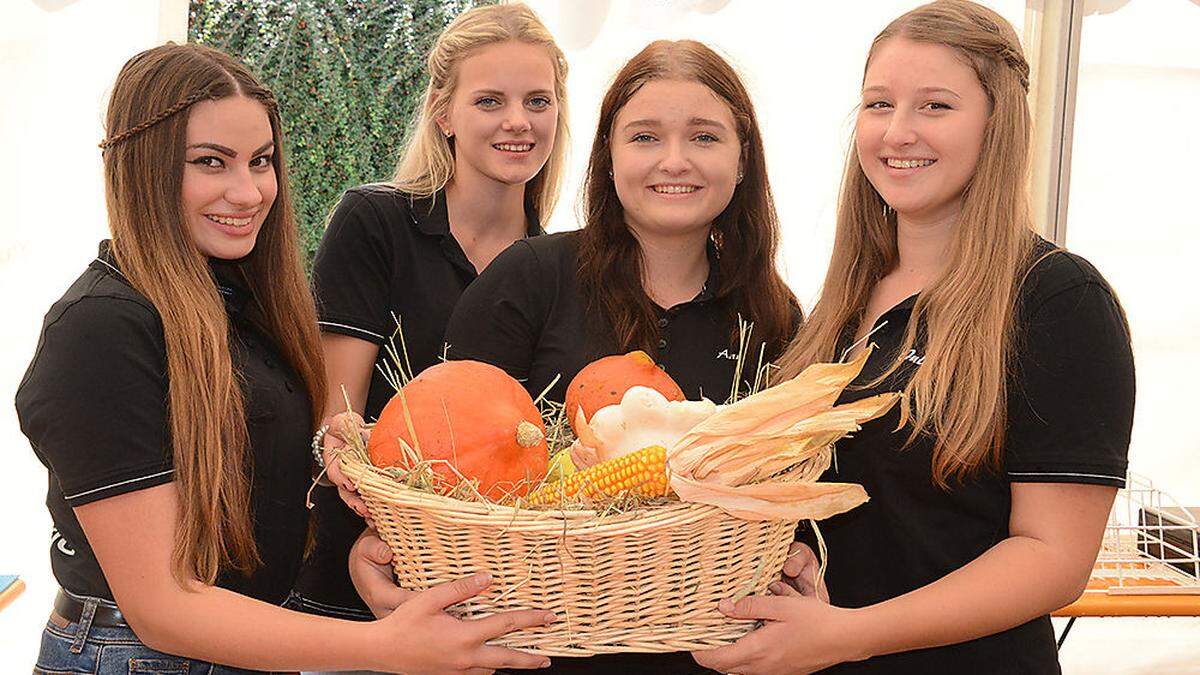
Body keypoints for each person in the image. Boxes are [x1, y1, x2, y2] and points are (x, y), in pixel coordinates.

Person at [17, 43, 554, 674]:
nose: (247, 192)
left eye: (261, 162)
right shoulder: (101, 327)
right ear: (143, 168)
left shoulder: (234, 303)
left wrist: (339, 452)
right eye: (210, 163)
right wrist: (385, 647)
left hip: (240, 645)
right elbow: (161, 605)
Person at [691, 2, 1135, 673]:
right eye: (878, 104)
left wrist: (850, 632)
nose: (898, 131)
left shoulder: (1056, 299)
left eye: (935, 106)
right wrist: (804, 564)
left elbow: (1052, 559)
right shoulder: (842, 303)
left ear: (997, 124)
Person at [384, 39, 793, 675]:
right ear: (607, 157)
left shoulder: (773, 316)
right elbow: (441, 461)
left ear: (744, 160)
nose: (674, 161)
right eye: (645, 137)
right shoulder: (528, 279)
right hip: (533, 651)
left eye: (705, 137)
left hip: (708, 655)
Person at [299, 2, 571, 629]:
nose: (518, 122)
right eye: (489, 101)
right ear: (443, 113)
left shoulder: (559, 267)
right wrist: (344, 454)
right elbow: (336, 415)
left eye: (538, 101)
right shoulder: (376, 224)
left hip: (496, 597)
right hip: (365, 585)